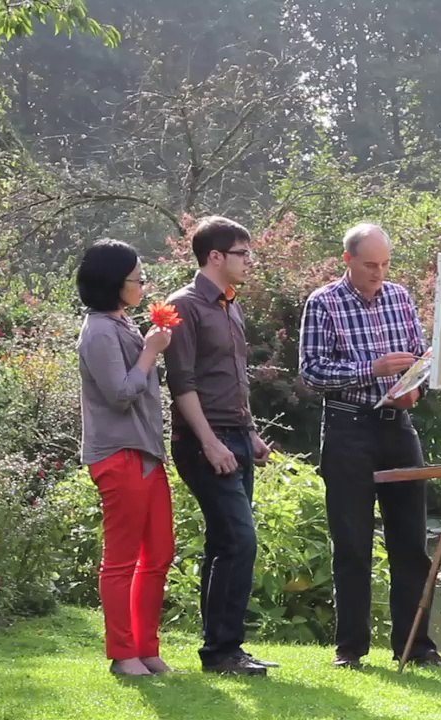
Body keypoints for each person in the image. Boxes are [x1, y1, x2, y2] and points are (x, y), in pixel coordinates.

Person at [299, 222, 441, 670]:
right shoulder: (323, 303)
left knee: (412, 542)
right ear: (347, 261)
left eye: (385, 264)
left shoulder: (400, 297)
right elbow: (311, 372)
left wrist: (414, 390)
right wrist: (372, 368)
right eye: (369, 265)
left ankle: (416, 648)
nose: (378, 273)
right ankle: (351, 650)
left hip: (397, 425)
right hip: (347, 428)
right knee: (351, 543)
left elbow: (421, 357)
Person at [163, 215, 276, 675]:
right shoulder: (184, 306)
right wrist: (210, 442)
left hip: (236, 436)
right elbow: (182, 383)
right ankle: (222, 651)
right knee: (239, 540)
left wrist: (249, 432)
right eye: (242, 253)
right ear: (215, 257)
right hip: (202, 441)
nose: (250, 261)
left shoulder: (231, 306)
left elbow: (232, 380)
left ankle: (224, 650)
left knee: (225, 544)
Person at [76, 239, 175, 677]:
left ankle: (146, 648)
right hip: (119, 455)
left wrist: (150, 347)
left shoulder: (124, 325)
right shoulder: (97, 330)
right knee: (121, 559)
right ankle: (122, 654)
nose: (143, 285)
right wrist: (152, 353)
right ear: (115, 284)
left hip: (148, 453)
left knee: (159, 554)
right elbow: (119, 394)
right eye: (137, 279)